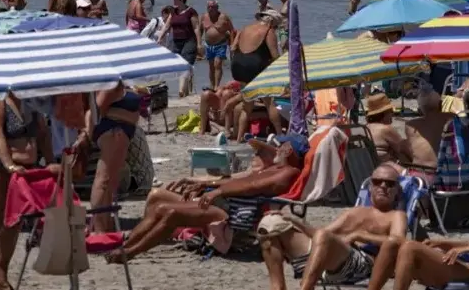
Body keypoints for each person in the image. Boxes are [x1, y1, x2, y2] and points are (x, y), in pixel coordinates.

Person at [106, 135, 308, 263]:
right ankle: (126, 245)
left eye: (282, 145)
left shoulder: (289, 171)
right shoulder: (274, 168)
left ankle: (130, 253)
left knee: (171, 212)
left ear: (289, 150)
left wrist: (217, 192)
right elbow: (239, 181)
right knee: (159, 206)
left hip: (232, 213)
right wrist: (207, 185)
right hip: (226, 202)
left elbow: (253, 187)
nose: (278, 148)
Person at [260, 165, 407, 290]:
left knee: (324, 236)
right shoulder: (354, 212)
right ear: (370, 187)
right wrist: (294, 221)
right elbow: (319, 235)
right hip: (330, 258)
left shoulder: (396, 215)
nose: (383, 186)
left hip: (362, 265)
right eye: (377, 182)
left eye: (389, 183)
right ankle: (278, 287)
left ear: (397, 190)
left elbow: (399, 241)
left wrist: (359, 236)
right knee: (271, 224)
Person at [0, 94, 55, 289]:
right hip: (1, 169)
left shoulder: (32, 102)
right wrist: (9, 165)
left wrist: (51, 162)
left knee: (14, 221)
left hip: (25, 171)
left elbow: (44, 134)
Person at [91, 85, 140, 232]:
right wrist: (123, 116)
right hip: (113, 130)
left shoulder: (119, 81)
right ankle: (99, 230)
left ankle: (104, 225)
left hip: (119, 130)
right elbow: (97, 109)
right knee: (104, 179)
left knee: (111, 182)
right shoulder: (110, 82)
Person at [403, 88, 454, 182]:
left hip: (418, 175)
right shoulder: (450, 122)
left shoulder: (411, 126)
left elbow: (410, 151)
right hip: (444, 175)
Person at [158, 0, 202, 97]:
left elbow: (196, 28)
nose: (174, 0)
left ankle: (181, 90)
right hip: (176, 41)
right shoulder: (173, 12)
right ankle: (185, 90)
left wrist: (199, 43)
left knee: (185, 64)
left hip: (189, 41)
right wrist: (160, 38)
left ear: (182, 0)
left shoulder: (191, 12)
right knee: (178, 66)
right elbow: (167, 25)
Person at [365, 93, 411, 165]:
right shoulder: (385, 129)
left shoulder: (366, 128)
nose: (392, 113)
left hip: (369, 166)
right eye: (390, 111)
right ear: (384, 113)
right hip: (385, 168)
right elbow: (405, 150)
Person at [201, 0, 234, 90]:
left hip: (220, 44)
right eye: (209, 7)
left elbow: (232, 30)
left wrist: (232, 44)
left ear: (217, 7)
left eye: (213, 7)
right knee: (211, 66)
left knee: (218, 64)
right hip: (208, 45)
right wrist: (198, 43)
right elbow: (200, 29)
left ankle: (217, 86)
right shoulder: (204, 17)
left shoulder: (223, 17)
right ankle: (212, 85)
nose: (210, 9)